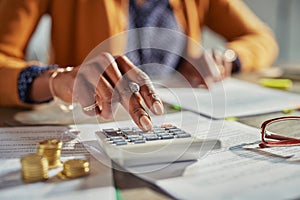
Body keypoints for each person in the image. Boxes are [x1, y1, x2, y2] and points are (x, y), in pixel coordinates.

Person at [0, 0, 278, 131]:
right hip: (91, 126)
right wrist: (53, 80)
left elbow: (262, 38)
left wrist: (228, 57)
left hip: (186, 121)